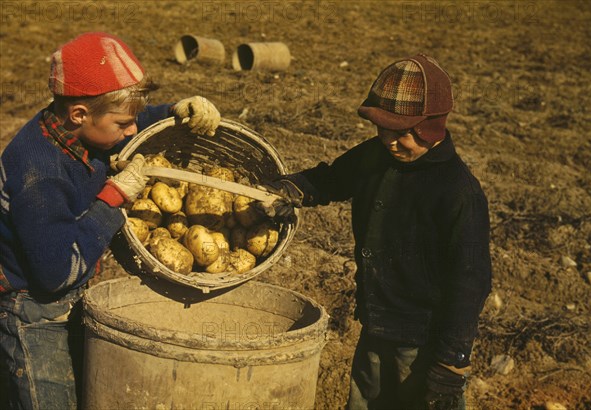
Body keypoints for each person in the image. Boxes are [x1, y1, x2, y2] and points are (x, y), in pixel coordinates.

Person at [0, 32, 221, 409]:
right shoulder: (40, 173)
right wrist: (113, 199)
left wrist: (172, 112)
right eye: (124, 123)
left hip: (69, 298)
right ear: (79, 114)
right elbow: (57, 274)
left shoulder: (79, 128)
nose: (132, 131)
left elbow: (120, 122)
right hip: (32, 310)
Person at [258, 54, 492, 409]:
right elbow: (334, 178)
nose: (389, 141)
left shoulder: (458, 193)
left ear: (431, 129)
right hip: (376, 325)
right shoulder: (377, 156)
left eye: (400, 133)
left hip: (422, 344)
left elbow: (470, 283)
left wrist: (451, 366)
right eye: (381, 130)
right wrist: (298, 187)